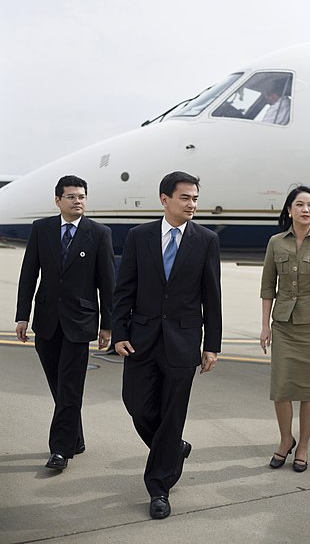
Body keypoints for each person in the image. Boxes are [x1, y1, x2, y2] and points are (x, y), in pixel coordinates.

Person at [112, 171, 222, 520]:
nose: (192, 204)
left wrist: (212, 345)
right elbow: (124, 288)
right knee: (137, 405)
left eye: (195, 198)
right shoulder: (138, 236)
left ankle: (159, 488)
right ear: (164, 199)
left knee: (173, 413)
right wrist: (119, 332)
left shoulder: (205, 240)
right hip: (141, 339)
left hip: (184, 340)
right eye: (185, 198)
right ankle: (174, 449)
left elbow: (212, 297)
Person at [15, 175, 115, 471]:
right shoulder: (41, 229)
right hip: (46, 320)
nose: (78, 201)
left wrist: (108, 325)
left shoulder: (99, 233)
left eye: (82, 196)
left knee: (70, 387)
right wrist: (23, 315)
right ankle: (75, 438)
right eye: (71, 196)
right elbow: (29, 273)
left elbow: (107, 283)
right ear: (58, 200)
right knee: (59, 386)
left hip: (80, 321)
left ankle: (60, 450)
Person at [260, 186, 310, 473]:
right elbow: (268, 286)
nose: (305, 210)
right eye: (299, 205)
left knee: (308, 390)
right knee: (281, 388)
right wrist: (264, 326)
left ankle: (303, 446)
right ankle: (286, 440)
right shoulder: (275, 243)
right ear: (289, 210)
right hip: (283, 324)